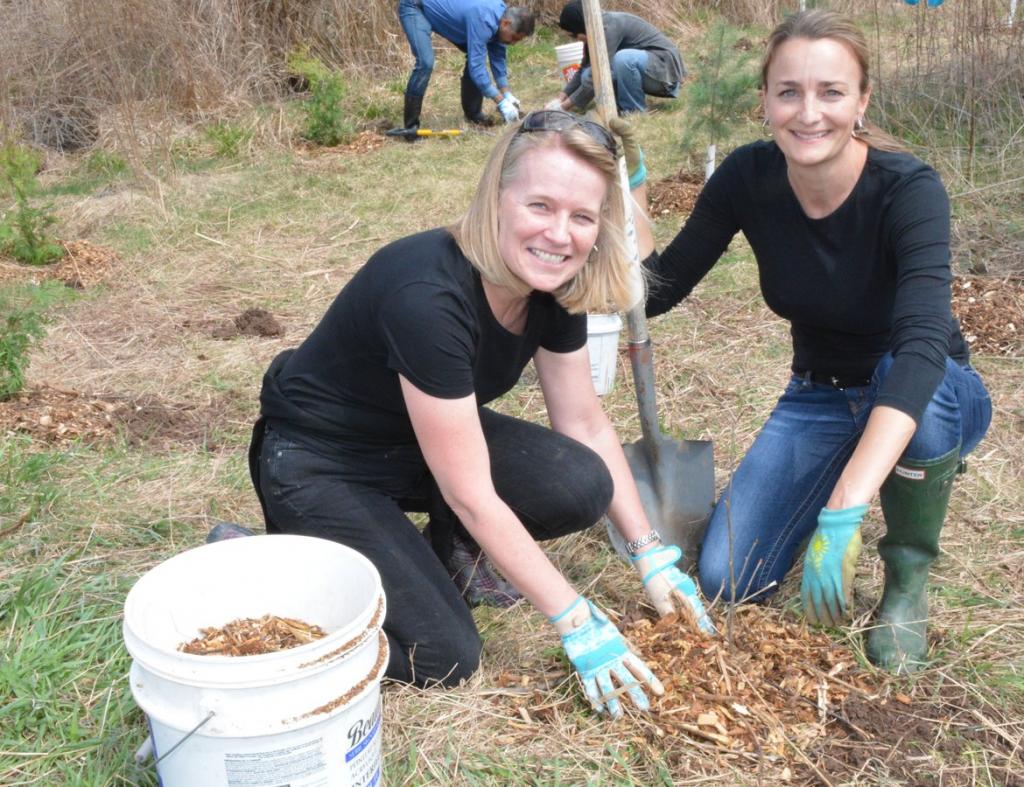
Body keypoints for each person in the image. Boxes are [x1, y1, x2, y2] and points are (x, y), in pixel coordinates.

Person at [249, 110, 715, 718]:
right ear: (497, 196)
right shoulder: (428, 296)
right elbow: (472, 493)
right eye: (540, 206)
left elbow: (584, 423)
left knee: (581, 484)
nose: (559, 234)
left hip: (418, 439)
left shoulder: (551, 282)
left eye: (582, 217)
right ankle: (282, 569)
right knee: (444, 655)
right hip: (318, 457)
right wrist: (577, 619)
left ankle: (435, 556)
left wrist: (650, 551)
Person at [636, 10, 991, 674]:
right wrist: (624, 199)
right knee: (727, 579)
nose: (809, 112)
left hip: (930, 389)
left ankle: (907, 574)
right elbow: (658, 289)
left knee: (917, 381)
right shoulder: (748, 177)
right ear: (765, 99)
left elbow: (920, 349)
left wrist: (844, 509)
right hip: (820, 397)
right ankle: (878, 467)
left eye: (831, 91)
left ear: (861, 100)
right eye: (789, 91)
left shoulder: (908, 189)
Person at [393, 0, 534, 134]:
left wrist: (507, 94)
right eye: (515, 38)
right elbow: (477, 67)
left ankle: (474, 115)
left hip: (441, 12)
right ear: (505, 23)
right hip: (416, 7)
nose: (514, 43)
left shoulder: (501, 17)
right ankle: (411, 127)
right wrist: (500, 101)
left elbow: (498, 56)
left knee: (475, 56)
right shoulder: (483, 19)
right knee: (425, 63)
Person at [546, 0, 685, 116]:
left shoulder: (608, 28)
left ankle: (633, 110)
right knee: (588, 72)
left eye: (573, 35)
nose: (574, 39)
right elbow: (585, 68)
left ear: (581, 27)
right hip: (647, 69)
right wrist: (561, 97)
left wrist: (565, 107)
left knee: (622, 59)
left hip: (664, 71)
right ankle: (620, 105)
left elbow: (598, 74)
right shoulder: (594, 29)